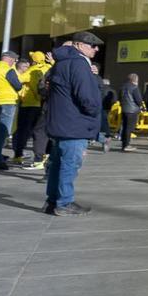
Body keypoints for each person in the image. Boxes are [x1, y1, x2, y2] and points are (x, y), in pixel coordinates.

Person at [43, 32, 105, 215]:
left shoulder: (61, 62)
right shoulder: (78, 63)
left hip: (61, 121)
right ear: (78, 45)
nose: (96, 49)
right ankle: (64, 203)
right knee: (70, 164)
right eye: (92, 45)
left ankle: (52, 201)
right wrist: (94, 111)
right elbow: (85, 95)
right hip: (74, 122)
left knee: (57, 163)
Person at [14, 49, 51, 167]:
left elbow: (17, 80)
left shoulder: (31, 71)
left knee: (23, 131)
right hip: (43, 104)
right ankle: (44, 155)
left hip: (28, 104)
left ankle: (18, 155)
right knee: (42, 132)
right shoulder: (48, 68)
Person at [118, 73, 143, 150]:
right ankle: (127, 145)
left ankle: (124, 144)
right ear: (135, 79)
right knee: (130, 128)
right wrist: (141, 106)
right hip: (132, 110)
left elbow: (120, 98)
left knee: (125, 127)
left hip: (124, 109)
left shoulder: (122, 87)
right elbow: (138, 99)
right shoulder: (134, 87)